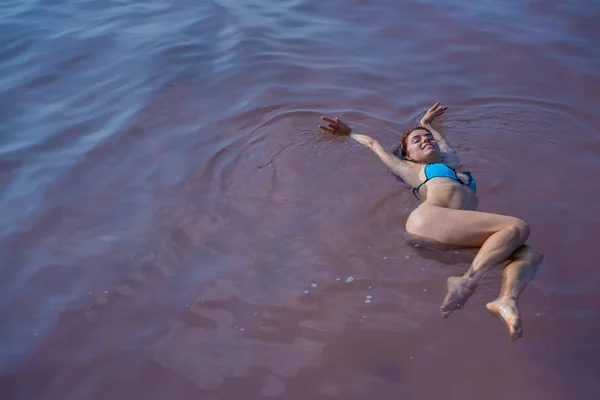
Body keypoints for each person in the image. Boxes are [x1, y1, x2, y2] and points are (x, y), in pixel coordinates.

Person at [319, 102, 543, 340]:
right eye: (417, 141)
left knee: (529, 254)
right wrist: (350, 133)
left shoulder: (453, 167)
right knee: (517, 226)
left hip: (446, 238)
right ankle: (466, 282)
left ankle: (505, 300)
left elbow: (443, 144)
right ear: (409, 156)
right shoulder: (412, 169)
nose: (426, 140)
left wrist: (426, 124)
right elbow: (374, 144)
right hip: (428, 221)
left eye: (428, 138)